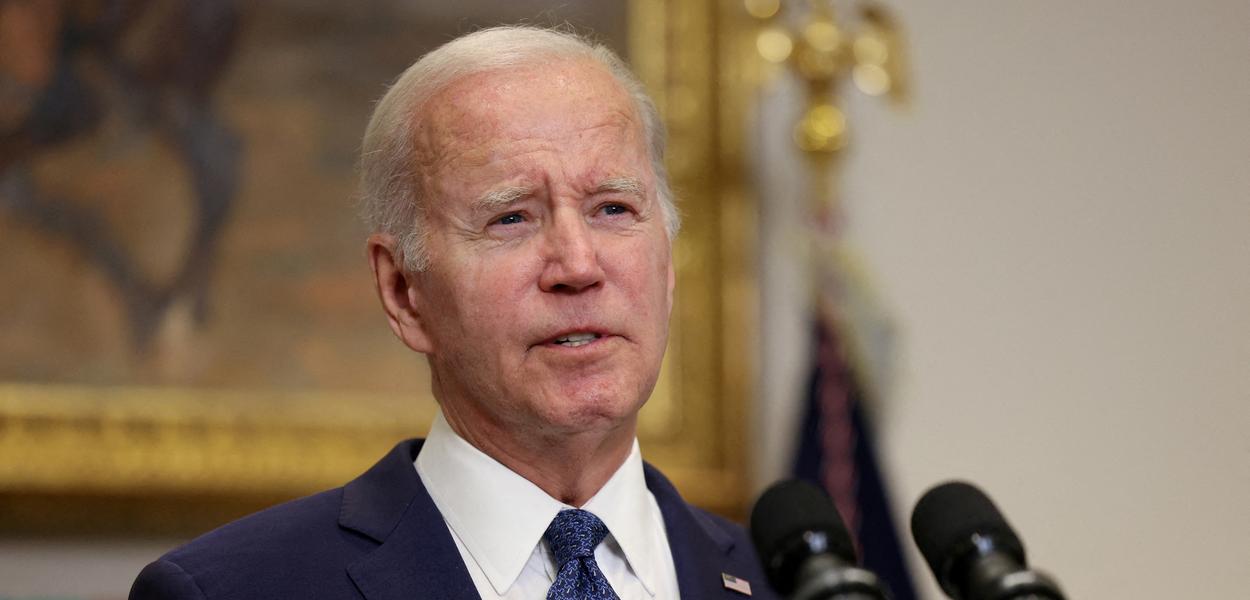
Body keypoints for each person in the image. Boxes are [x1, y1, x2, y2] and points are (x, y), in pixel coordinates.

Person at [130, 26, 774, 600]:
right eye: (511, 218)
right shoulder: (231, 591)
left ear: (666, 267)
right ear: (404, 292)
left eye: (613, 209)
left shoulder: (789, 584)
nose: (578, 265)